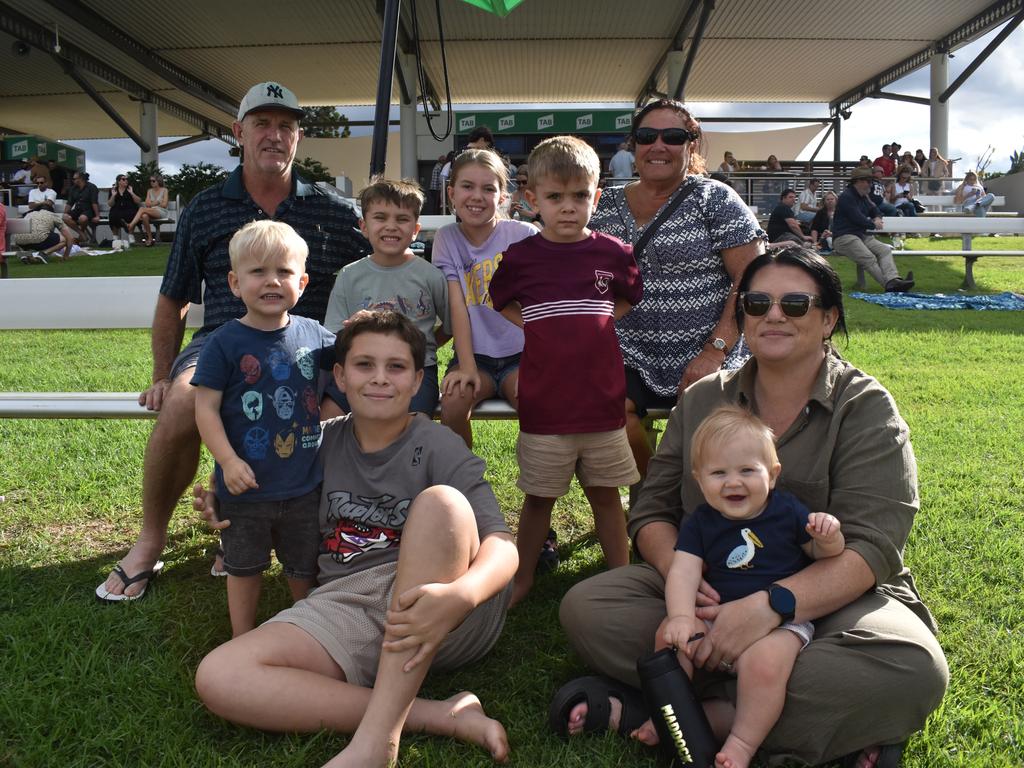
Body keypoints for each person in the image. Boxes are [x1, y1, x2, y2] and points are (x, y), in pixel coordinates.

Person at [556, 247, 948, 767]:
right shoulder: (701, 401)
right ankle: (798, 726)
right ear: (742, 315)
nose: (774, 314)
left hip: (828, 603)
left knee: (911, 669)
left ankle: (682, 712)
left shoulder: (865, 409)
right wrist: (683, 577)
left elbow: (873, 549)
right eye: (758, 302)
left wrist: (768, 608)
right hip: (708, 588)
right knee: (588, 609)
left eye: (796, 303)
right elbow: (651, 511)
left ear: (829, 318)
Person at [194, 310, 518, 768]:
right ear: (341, 377)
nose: (380, 379)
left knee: (442, 504)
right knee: (220, 675)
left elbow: (502, 545)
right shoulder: (314, 440)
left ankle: (376, 744)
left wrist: (461, 595)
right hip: (349, 605)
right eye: (365, 365)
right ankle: (439, 715)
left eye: (397, 367)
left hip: (442, 606)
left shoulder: (439, 443)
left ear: (416, 380)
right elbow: (259, 495)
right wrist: (224, 497)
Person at [95, 80, 370, 602]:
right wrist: (161, 374)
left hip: (306, 347)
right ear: (239, 133)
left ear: (298, 138)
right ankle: (150, 542)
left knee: (360, 404)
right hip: (223, 340)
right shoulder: (205, 209)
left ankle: (329, 534)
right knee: (182, 402)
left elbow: (382, 261)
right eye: (262, 124)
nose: (274, 135)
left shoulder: (333, 210)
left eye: (285, 126)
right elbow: (173, 298)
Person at [632, 405, 844, 768]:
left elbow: (823, 555)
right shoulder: (701, 523)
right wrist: (682, 617)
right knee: (669, 637)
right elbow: (683, 572)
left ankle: (741, 743)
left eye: (747, 470)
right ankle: (671, 715)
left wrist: (827, 536)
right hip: (716, 616)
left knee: (764, 664)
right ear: (699, 480)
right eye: (718, 473)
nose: (733, 482)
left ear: (772, 475)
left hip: (778, 624)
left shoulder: (787, 511)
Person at [489, 135, 643, 606]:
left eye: (580, 196)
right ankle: (523, 578)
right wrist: (538, 322)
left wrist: (595, 320)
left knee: (605, 494)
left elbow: (627, 297)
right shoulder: (522, 257)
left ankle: (623, 577)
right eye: (555, 197)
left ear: (596, 197)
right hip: (546, 406)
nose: (568, 207)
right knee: (539, 498)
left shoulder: (613, 252)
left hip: (602, 405)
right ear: (532, 200)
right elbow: (502, 299)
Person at [589, 99, 762, 481]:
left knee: (709, 422)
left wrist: (715, 351)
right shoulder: (604, 204)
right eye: (648, 136)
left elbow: (750, 279)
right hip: (627, 348)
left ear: (692, 145)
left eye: (674, 136)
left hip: (708, 347)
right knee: (609, 410)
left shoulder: (713, 198)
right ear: (633, 145)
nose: (659, 146)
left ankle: (682, 506)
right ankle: (655, 497)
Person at [192, 220, 334, 636]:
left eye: (284, 272)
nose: (272, 281)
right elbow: (206, 409)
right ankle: (242, 636)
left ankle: (308, 632)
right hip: (246, 485)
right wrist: (227, 461)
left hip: (306, 483)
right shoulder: (224, 342)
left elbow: (351, 362)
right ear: (235, 283)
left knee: (303, 566)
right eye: (258, 272)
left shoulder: (316, 335)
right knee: (244, 566)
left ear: (302, 282)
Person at [431, 149, 535, 449]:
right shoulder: (447, 239)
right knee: (452, 404)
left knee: (534, 400)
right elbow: (458, 307)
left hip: (522, 355)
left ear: (503, 196)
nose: (477, 196)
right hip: (473, 355)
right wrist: (466, 367)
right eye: (467, 186)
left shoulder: (523, 235)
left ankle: (537, 485)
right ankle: (465, 482)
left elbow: (538, 305)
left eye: (488, 188)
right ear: (451, 193)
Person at [324, 179, 450, 415]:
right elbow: (334, 333)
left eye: (402, 219)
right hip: (362, 368)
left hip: (415, 370)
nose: (391, 226)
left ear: (415, 230)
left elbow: (450, 327)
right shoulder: (349, 275)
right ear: (363, 226)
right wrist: (356, 329)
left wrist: (420, 344)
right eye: (380, 218)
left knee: (414, 422)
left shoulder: (430, 276)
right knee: (329, 411)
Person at [833, 168, 914, 293]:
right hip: (844, 237)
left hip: (860, 236)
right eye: (867, 181)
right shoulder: (846, 197)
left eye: (870, 181)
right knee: (869, 258)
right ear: (857, 181)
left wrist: (877, 218)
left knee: (885, 250)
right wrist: (873, 224)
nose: (870, 184)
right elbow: (857, 218)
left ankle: (894, 279)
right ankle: (889, 286)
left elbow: (876, 210)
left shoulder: (864, 196)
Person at [128, 173, 170, 246]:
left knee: (142, 209)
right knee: (144, 216)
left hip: (161, 211)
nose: (151, 183)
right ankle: (150, 239)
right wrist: (157, 202)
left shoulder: (164, 190)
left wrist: (153, 203)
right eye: (150, 181)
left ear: (158, 181)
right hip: (151, 211)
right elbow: (147, 204)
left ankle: (131, 225)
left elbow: (164, 205)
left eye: (153, 181)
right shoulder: (149, 191)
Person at [64, 171, 100, 243]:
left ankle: (82, 235)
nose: (73, 180)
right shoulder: (73, 189)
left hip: (89, 210)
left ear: (81, 179)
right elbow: (70, 203)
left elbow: (94, 202)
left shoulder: (92, 187)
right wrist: (65, 213)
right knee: (65, 217)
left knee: (82, 218)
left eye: (74, 179)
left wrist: (97, 216)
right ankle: (82, 234)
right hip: (78, 209)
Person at [107, 173, 141, 241]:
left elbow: (138, 201)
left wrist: (132, 193)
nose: (126, 181)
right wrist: (113, 195)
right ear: (118, 181)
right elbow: (110, 204)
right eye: (123, 179)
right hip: (117, 209)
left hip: (129, 209)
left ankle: (131, 235)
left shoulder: (130, 188)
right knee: (113, 216)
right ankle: (115, 237)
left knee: (132, 214)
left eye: (126, 179)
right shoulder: (114, 190)